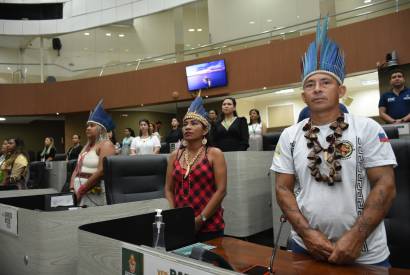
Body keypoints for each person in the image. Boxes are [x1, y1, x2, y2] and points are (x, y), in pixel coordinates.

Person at [271, 17, 396, 266]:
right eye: (310, 84)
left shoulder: (367, 128)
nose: (317, 89)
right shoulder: (289, 135)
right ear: (303, 96)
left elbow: (385, 184)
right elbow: (283, 189)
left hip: (365, 252)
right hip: (304, 247)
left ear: (341, 91)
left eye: (326, 82)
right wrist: (308, 235)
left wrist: (355, 238)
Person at [165, 95, 227, 242]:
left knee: (210, 263)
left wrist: (201, 219)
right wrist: (174, 216)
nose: (187, 127)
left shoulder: (214, 154)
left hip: (210, 224)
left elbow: (221, 191)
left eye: (194, 123)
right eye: (185, 124)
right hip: (180, 224)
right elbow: (168, 189)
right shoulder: (175, 155)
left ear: (205, 130)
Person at [69, 100, 116, 206]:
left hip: (94, 192)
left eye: (92, 125)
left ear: (101, 129)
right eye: (87, 126)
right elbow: (77, 169)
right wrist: (72, 188)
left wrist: (81, 191)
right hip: (77, 191)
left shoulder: (106, 145)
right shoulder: (85, 147)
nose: (88, 128)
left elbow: (101, 172)